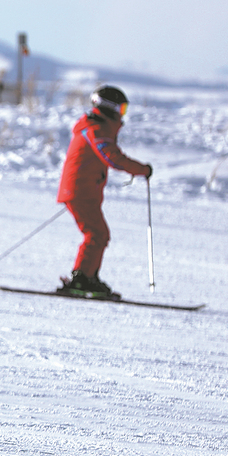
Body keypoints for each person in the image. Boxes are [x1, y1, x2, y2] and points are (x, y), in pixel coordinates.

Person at [55, 85, 153, 298]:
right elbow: (112, 157)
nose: (122, 115)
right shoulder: (96, 129)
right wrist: (142, 170)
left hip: (83, 190)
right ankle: (81, 278)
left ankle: (88, 277)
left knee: (99, 234)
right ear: (110, 107)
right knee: (96, 233)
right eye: (122, 109)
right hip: (79, 190)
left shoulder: (95, 126)